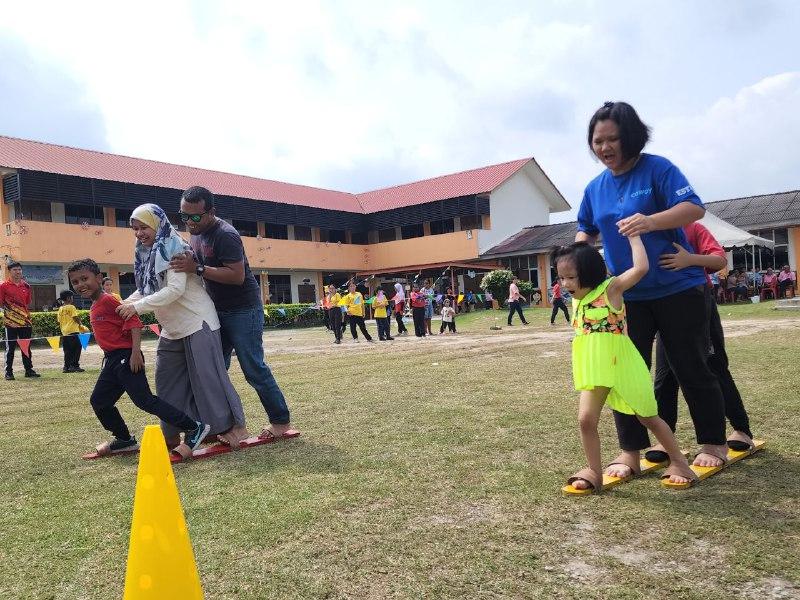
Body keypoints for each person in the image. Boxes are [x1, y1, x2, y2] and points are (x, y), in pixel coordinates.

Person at [577, 101, 727, 476]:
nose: (605, 147)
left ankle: (713, 441)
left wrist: (650, 221)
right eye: (598, 141)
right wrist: (577, 261)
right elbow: (586, 230)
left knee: (691, 366)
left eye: (613, 139)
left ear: (631, 138)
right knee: (623, 374)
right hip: (628, 298)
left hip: (678, 289)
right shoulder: (595, 188)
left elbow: (693, 208)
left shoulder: (658, 169)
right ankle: (630, 451)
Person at [556, 239, 694, 490]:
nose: (565, 284)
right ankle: (594, 471)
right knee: (586, 420)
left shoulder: (611, 289)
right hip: (594, 369)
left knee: (648, 418)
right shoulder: (577, 299)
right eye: (561, 278)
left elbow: (640, 268)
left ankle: (679, 461)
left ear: (588, 273)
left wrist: (634, 237)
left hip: (622, 367)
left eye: (570, 277)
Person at [169, 186, 297, 441]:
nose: (189, 222)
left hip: (243, 309)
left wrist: (198, 269)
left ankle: (280, 421)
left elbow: (237, 276)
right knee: (215, 368)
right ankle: (219, 425)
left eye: (195, 217)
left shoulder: (225, 234)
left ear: (211, 212)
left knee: (253, 368)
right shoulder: (195, 233)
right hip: (216, 310)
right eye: (183, 216)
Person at [117, 204, 249, 448]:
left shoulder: (174, 248)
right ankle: (172, 434)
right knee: (166, 382)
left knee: (208, 381)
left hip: (198, 322)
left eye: (144, 227)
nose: (139, 233)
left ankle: (229, 430)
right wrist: (124, 303)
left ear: (157, 224)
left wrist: (136, 307)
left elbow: (174, 290)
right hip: (172, 327)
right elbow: (149, 289)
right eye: (135, 229)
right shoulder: (145, 252)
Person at [67, 258, 210, 458]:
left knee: (144, 400)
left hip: (126, 357)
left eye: (85, 278)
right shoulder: (95, 304)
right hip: (112, 360)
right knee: (99, 401)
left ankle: (194, 427)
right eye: (75, 282)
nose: (81, 285)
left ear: (99, 278)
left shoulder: (108, 300)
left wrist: (135, 353)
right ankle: (124, 439)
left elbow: (135, 322)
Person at [654, 221, 755, 453]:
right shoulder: (648, 232)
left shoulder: (693, 228)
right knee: (665, 376)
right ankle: (665, 438)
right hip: (663, 308)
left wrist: (689, 259)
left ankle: (741, 429)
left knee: (714, 368)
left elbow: (719, 260)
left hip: (698, 303)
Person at [1, 261, 39, 380]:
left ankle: (29, 370)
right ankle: (8, 372)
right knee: (10, 347)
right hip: (10, 321)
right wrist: (11, 314)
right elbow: (1, 303)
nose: (18, 272)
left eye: (19, 270)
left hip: (25, 321)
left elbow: (27, 302)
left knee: (26, 346)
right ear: (9, 271)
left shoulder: (26, 286)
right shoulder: (3, 286)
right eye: (15, 270)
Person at [57, 290, 88, 373]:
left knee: (67, 350)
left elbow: (59, 321)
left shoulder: (60, 308)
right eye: (72, 296)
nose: (72, 298)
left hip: (64, 332)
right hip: (73, 331)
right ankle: (74, 366)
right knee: (77, 348)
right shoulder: (71, 307)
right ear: (68, 298)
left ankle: (66, 367)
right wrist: (81, 324)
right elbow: (75, 317)